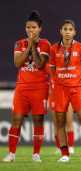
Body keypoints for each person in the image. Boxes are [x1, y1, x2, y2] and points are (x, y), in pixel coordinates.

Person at [3, 11, 50, 162]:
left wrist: (33, 47)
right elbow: (18, 63)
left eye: (33, 27)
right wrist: (29, 45)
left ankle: (36, 154)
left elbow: (39, 64)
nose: (30, 30)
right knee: (16, 119)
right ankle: (11, 154)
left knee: (38, 120)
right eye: (28, 27)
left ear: (40, 29)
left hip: (40, 88)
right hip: (22, 88)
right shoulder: (19, 43)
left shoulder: (45, 44)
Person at [49, 19, 81, 163]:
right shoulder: (54, 49)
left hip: (77, 89)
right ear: (61, 31)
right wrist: (61, 79)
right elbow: (52, 70)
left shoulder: (80, 48)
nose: (68, 32)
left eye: (70, 29)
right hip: (60, 89)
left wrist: (74, 73)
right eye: (65, 29)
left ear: (74, 32)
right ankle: (65, 154)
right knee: (60, 122)